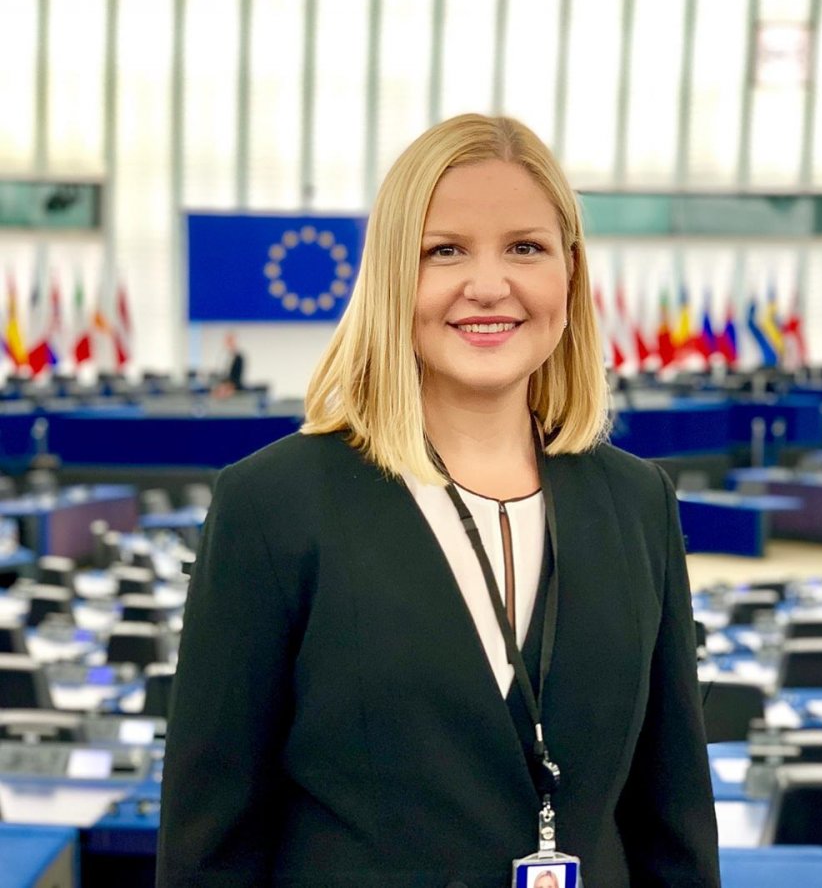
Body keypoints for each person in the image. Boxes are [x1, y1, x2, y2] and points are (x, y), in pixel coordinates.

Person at [157, 114, 719, 887]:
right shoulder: (271, 504)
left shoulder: (638, 502)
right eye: (444, 250)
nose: (488, 285)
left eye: (525, 248)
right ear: (392, 274)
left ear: (569, 271)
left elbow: (673, 821)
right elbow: (210, 844)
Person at [212, 331, 244, 397]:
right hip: (223, 385)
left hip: (233, 388)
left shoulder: (239, 358)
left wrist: (229, 387)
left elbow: (237, 377)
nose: (228, 343)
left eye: (230, 340)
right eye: (227, 341)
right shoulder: (223, 356)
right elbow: (221, 373)